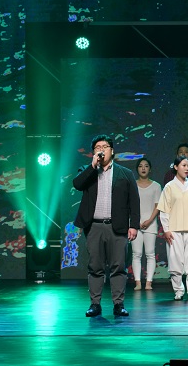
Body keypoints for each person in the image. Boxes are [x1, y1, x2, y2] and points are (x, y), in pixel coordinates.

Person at [73, 134, 140, 318]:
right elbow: (77, 184)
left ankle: (119, 304)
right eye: (97, 148)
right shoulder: (87, 171)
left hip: (117, 227)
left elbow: (134, 202)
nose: (101, 150)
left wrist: (134, 225)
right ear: (93, 153)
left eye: (104, 147)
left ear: (112, 151)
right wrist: (92, 166)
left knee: (118, 266)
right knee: (95, 266)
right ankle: (95, 304)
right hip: (94, 226)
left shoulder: (125, 173)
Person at [158, 155, 188, 301]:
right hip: (174, 229)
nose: (187, 168)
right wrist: (166, 229)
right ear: (176, 167)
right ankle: (178, 290)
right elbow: (164, 210)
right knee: (175, 261)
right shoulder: (169, 187)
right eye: (184, 165)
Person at [132, 157, 161, 291]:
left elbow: (157, 206)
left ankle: (149, 282)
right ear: (137, 169)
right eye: (140, 166)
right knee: (136, 254)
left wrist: (149, 220)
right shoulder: (132, 185)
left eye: (146, 166)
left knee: (150, 253)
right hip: (135, 224)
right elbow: (129, 205)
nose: (143, 168)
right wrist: (136, 221)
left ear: (150, 169)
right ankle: (138, 282)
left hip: (151, 223)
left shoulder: (156, 186)